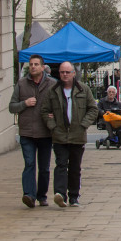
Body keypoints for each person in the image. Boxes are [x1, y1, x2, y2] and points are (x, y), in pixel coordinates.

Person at [41, 62, 97, 207]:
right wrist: (52, 126)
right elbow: (45, 110)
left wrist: (83, 124)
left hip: (77, 135)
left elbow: (93, 109)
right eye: (62, 72)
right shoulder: (53, 91)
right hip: (59, 135)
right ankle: (60, 194)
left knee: (75, 167)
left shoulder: (83, 89)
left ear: (73, 73)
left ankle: (73, 196)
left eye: (67, 72)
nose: (64, 75)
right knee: (60, 164)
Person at [8, 54, 55, 208]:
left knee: (44, 167)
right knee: (29, 164)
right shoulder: (22, 84)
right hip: (27, 132)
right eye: (31, 64)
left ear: (43, 67)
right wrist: (24, 103)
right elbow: (11, 106)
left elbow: (59, 105)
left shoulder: (52, 84)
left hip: (45, 132)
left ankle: (42, 195)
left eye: (36, 64)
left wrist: (53, 115)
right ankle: (28, 195)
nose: (33, 67)